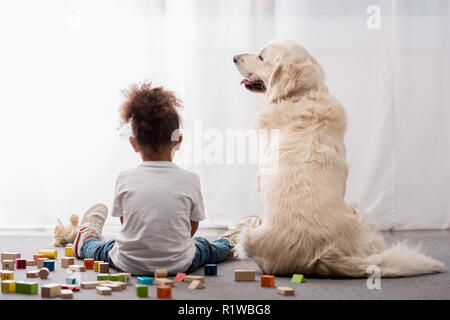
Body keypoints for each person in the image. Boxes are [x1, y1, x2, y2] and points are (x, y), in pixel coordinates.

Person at [72, 82, 260, 275]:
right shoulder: (191, 179)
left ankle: (85, 240)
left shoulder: (124, 178)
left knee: (104, 248)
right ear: (179, 140)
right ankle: (229, 243)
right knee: (204, 246)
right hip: (179, 265)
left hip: (128, 263)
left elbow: (126, 222)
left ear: (133, 143)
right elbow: (191, 227)